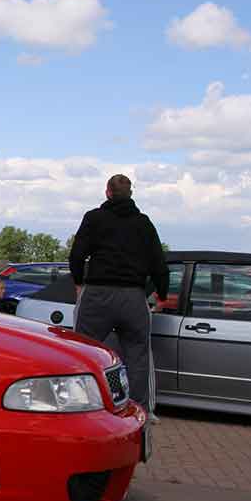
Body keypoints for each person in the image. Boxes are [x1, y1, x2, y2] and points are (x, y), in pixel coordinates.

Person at [69, 174, 169, 409]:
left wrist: (79, 283)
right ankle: (139, 410)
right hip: (133, 296)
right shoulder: (143, 223)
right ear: (131, 194)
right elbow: (158, 264)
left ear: (107, 192)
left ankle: (85, 405)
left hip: (98, 294)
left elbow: (77, 255)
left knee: (84, 351)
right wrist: (162, 294)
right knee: (138, 356)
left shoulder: (94, 218)